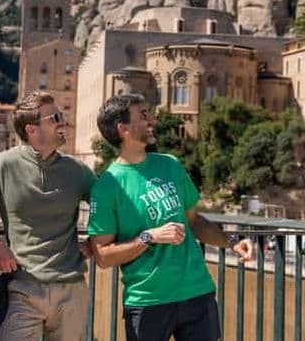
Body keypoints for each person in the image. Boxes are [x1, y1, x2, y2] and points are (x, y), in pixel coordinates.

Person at [88, 94, 255, 341]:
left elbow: (194, 220)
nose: (152, 120)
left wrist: (231, 243)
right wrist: (149, 237)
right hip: (148, 301)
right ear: (123, 129)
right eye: (143, 116)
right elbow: (102, 256)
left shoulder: (170, 165)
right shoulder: (107, 187)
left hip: (197, 293)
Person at [0, 91, 96, 341]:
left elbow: (107, 204)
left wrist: (95, 239)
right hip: (21, 287)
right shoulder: (1, 166)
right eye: (54, 118)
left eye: (61, 116)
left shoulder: (78, 171)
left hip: (71, 290)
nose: (63, 122)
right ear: (31, 129)